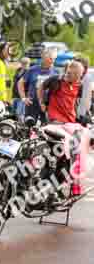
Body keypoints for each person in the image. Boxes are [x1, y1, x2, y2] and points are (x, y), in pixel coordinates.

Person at [40, 59, 88, 193]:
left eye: (79, 76)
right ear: (69, 72)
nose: (76, 78)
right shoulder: (56, 81)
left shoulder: (79, 85)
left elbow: (77, 101)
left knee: (77, 148)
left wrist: (81, 114)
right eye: (73, 75)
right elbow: (41, 87)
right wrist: (42, 103)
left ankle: (72, 180)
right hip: (55, 122)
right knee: (61, 148)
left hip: (70, 122)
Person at [18, 48, 57, 123]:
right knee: (29, 127)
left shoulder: (55, 72)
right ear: (43, 57)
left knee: (46, 129)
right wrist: (23, 98)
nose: (52, 61)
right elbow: (20, 83)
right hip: (32, 104)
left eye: (54, 59)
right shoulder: (33, 69)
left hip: (47, 105)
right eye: (50, 58)